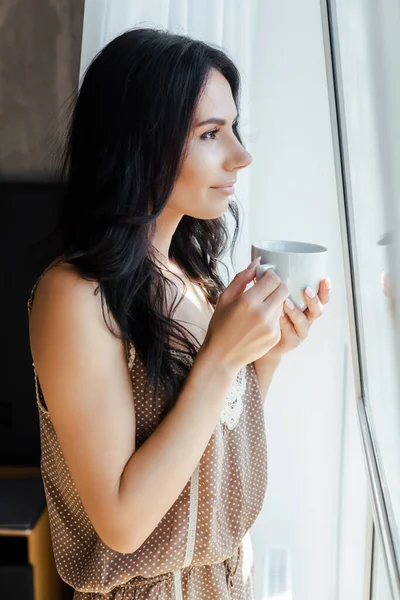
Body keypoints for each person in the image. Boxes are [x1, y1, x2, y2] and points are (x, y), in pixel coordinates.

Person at [27, 28, 331, 600]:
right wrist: (220, 356)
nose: (241, 155)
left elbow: (208, 443)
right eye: (211, 134)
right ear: (140, 143)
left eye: (234, 128)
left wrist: (263, 355)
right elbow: (122, 522)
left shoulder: (196, 277)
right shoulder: (76, 296)